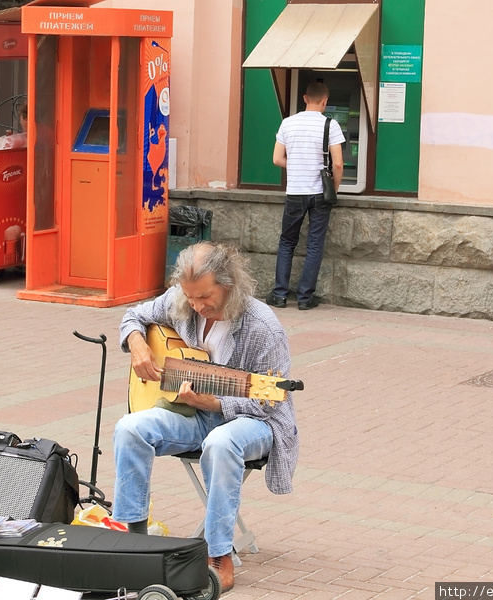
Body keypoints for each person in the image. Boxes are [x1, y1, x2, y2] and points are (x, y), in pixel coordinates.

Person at [113, 241, 298, 594]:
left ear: (229, 285)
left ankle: (219, 555)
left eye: (205, 297)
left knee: (220, 441)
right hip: (195, 413)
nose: (197, 306)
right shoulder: (183, 301)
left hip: (254, 422)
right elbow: (134, 316)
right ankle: (134, 542)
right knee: (129, 428)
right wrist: (137, 345)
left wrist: (215, 404)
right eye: (191, 297)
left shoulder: (263, 327)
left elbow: (271, 403)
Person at [266, 81, 344, 311]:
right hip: (320, 192)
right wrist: (334, 190)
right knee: (314, 244)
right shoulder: (331, 125)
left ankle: (279, 295)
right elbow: (338, 163)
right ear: (325, 101)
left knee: (287, 242)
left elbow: (277, 159)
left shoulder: (288, 123)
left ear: (304, 97)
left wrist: (297, 164)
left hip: (295, 192)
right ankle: (304, 298)